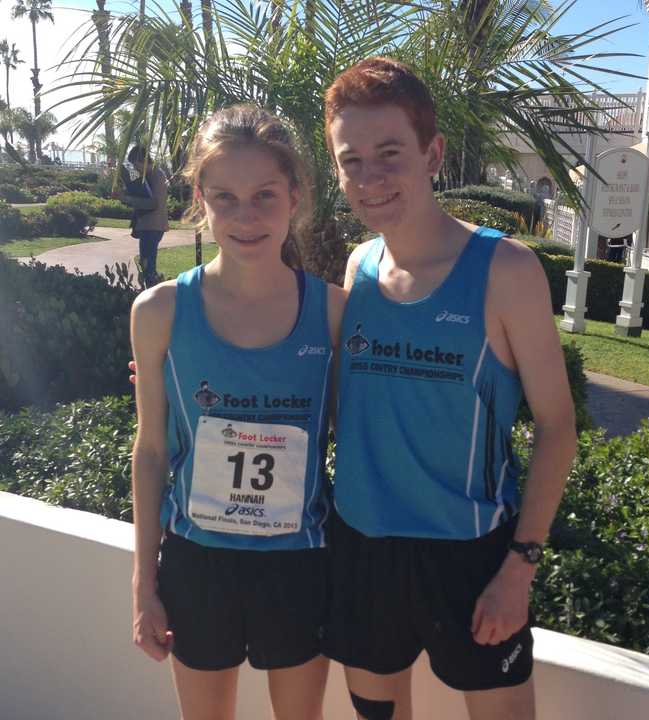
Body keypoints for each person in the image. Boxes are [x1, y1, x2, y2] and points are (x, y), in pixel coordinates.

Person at [321, 58, 577, 720]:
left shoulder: (506, 270)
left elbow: (557, 426)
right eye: (352, 161)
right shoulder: (360, 266)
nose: (370, 178)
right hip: (363, 546)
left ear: (432, 153)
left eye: (390, 153)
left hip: (469, 557)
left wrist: (518, 568)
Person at [130, 104, 345, 720]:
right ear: (200, 198)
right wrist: (143, 584)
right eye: (225, 197)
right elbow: (151, 452)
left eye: (264, 196)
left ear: (295, 196)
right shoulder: (158, 311)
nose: (245, 217)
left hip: (300, 564)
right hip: (198, 566)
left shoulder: (333, 313)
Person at [118, 145, 170, 286]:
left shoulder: (156, 175)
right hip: (150, 225)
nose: (134, 170)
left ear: (141, 161)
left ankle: (154, 296)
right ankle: (153, 292)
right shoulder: (150, 175)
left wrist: (125, 198)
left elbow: (152, 204)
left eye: (135, 165)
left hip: (152, 226)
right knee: (146, 264)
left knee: (148, 267)